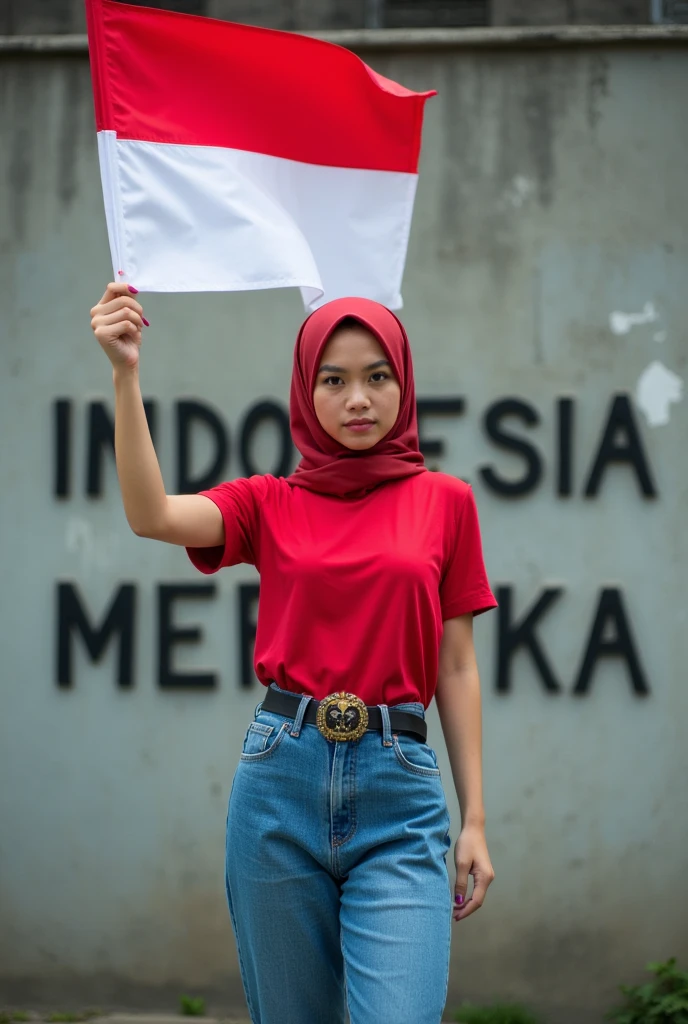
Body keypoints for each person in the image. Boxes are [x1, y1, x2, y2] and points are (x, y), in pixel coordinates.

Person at [90, 282, 498, 1024]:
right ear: (306, 393)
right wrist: (126, 374)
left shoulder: (447, 502)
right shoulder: (266, 503)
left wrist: (474, 818)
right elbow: (152, 515)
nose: (358, 399)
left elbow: (458, 665)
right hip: (280, 783)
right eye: (333, 380)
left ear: (404, 385)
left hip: (400, 795)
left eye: (378, 376)